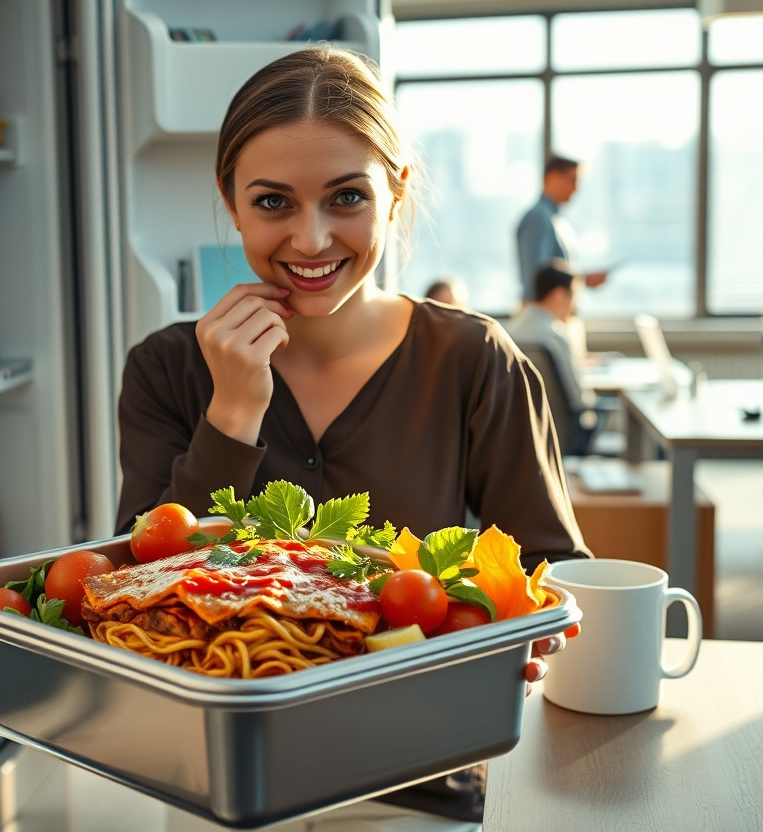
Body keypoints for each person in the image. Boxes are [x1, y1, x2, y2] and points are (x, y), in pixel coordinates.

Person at [115, 47, 588, 829]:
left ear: (396, 192)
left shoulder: (475, 360)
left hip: (420, 781)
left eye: (345, 197)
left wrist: (535, 635)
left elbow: (551, 572)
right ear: (231, 201)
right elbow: (138, 580)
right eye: (273, 202)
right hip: (219, 778)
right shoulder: (166, 368)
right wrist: (233, 412)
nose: (310, 239)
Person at [515, 156, 607, 302]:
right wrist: (581, 278)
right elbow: (537, 276)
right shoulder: (538, 218)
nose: (576, 188)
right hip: (545, 313)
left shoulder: (557, 219)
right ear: (552, 178)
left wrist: (582, 279)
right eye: (572, 180)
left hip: (558, 312)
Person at [505, 260, 591, 416]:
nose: (575, 306)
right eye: (574, 296)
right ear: (559, 295)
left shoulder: (509, 331)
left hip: (520, 425)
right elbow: (578, 398)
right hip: (557, 429)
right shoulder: (555, 336)